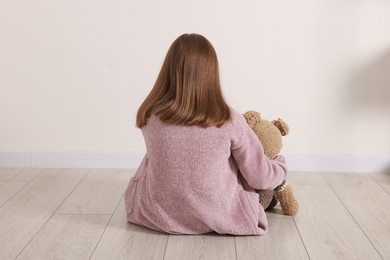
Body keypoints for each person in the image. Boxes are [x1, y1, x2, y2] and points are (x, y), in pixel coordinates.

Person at [124, 33, 287, 235]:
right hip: (219, 215)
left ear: (168, 70)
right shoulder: (230, 120)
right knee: (255, 172)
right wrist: (280, 166)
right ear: (211, 73)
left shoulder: (149, 115)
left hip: (156, 214)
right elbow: (259, 177)